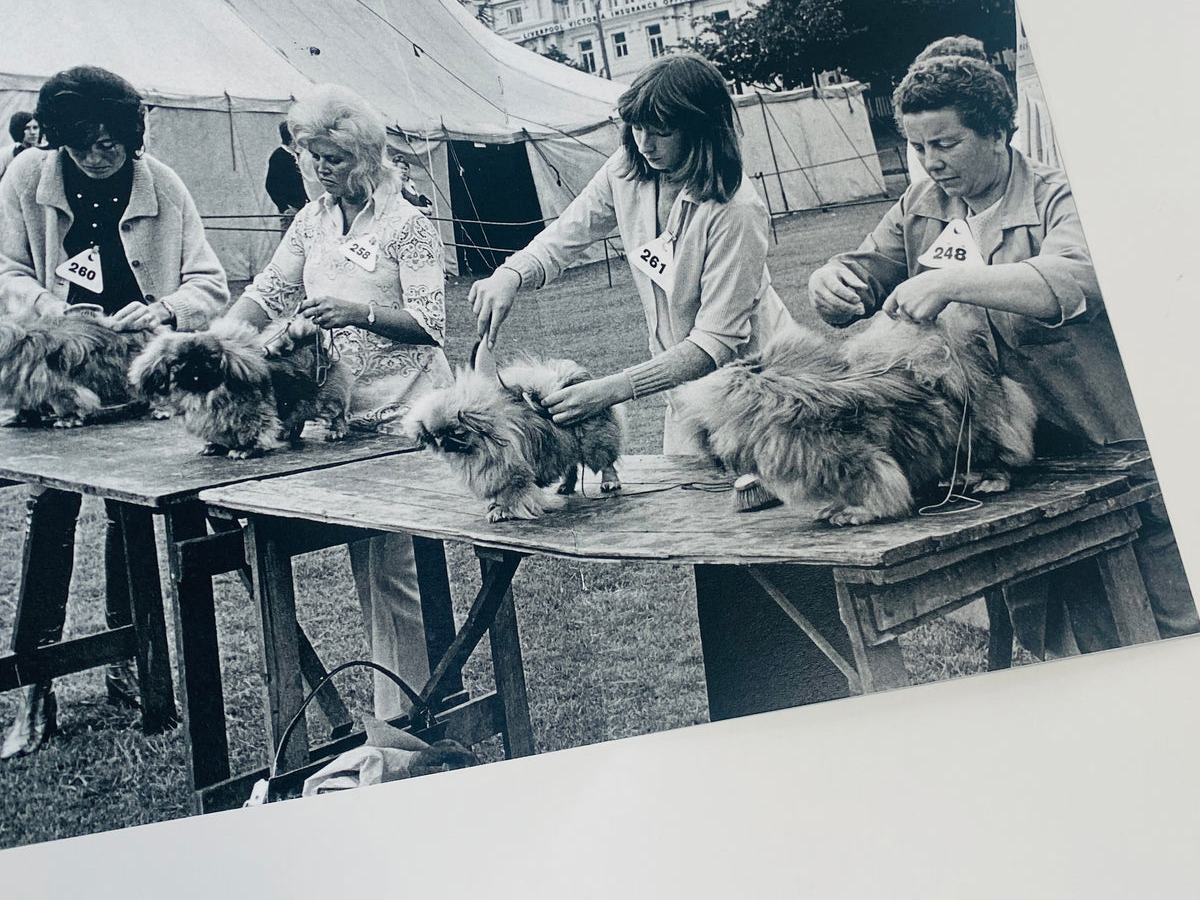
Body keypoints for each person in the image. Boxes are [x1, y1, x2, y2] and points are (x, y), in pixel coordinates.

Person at [470, 54, 839, 719]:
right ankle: (743, 720)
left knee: (785, 564)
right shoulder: (627, 172)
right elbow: (568, 234)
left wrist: (609, 390)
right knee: (715, 568)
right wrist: (511, 275)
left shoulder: (736, 210)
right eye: (636, 127)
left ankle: (817, 711)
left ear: (703, 130)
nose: (645, 142)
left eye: (661, 130)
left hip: (761, 402)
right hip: (689, 403)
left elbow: (718, 344)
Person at [808, 47, 1199, 653]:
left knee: (1171, 621)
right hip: (1011, 471)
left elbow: (1077, 278)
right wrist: (831, 283)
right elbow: (863, 274)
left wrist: (950, 282)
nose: (931, 163)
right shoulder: (920, 207)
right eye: (918, 148)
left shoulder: (1061, 198)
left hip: (1112, 448)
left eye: (946, 143)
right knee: (1050, 635)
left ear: (996, 129)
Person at [0, 65, 229, 758]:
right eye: (85, 142)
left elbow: (209, 283)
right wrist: (51, 309)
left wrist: (162, 308)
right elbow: (5, 271)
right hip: (62, 377)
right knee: (51, 511)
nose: (101, 154)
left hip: (140, 382)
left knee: (131, 514)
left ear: (133, 134)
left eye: (114, 141)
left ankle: (131, 667)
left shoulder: (162, 181)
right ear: (59, 137)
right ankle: (33, 688)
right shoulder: (23, 181)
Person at [226, 85, 453, 720]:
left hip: (406, 409)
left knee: (391, 569)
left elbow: (431, 321)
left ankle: (401, 719)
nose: (324, 171)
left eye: (335, 159)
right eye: (313, 158)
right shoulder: (313, 220)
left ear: (370, 155)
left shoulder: (407, 224)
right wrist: (221, 335)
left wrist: (359, 312)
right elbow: (270, 288)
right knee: (374, 566)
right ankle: (407, 706)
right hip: (344, 418)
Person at [265, 120, 309, 228]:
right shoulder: (279, 156)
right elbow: (270, 185)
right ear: (291, 138)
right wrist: (284, 208)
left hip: (304, 207)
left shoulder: (297, 155)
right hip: (291, 210)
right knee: (289, 241)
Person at [0, 111, 42, 184]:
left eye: (35, 128)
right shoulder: (6, 155)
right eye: (27, 128)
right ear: (18, 130)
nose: (32, 132)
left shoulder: (46, 153)